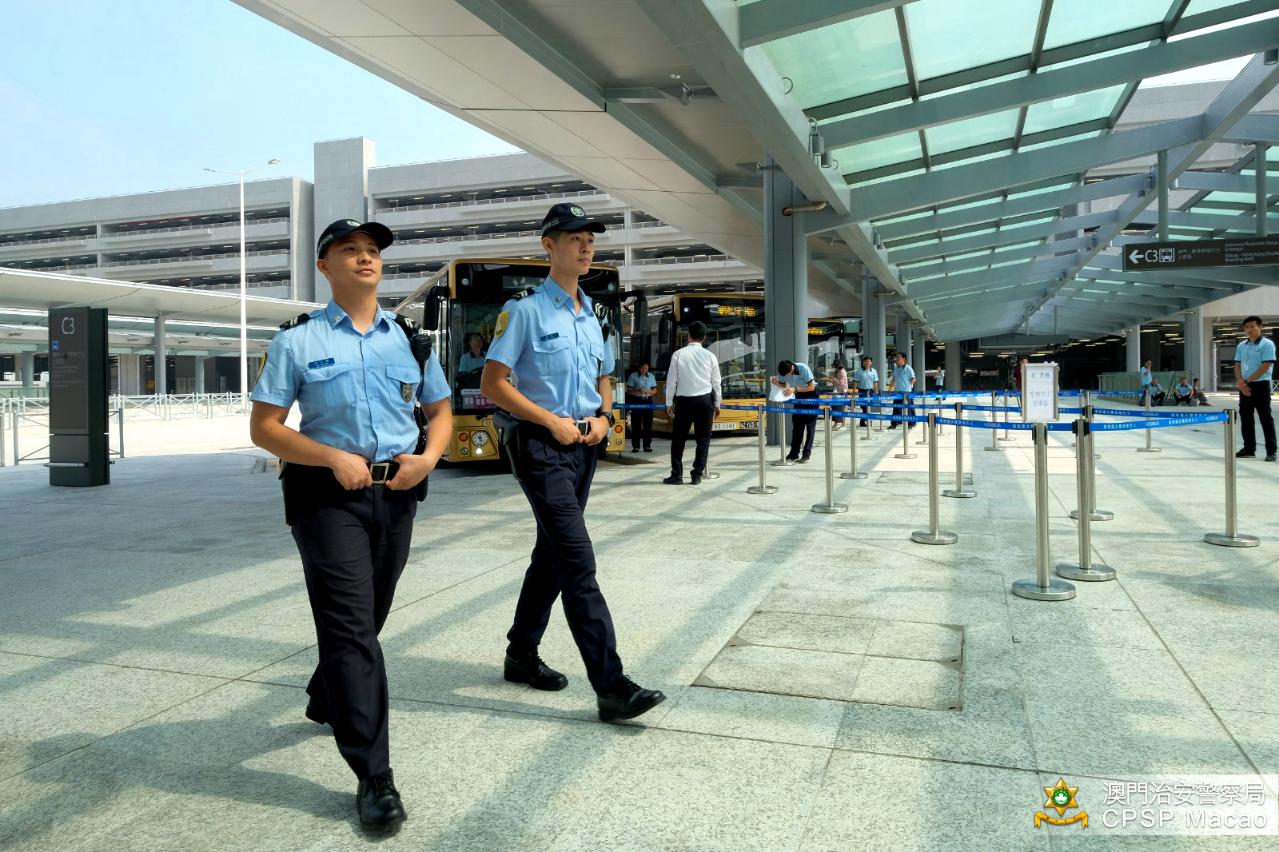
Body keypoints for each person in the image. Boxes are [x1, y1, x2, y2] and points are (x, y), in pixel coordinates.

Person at [249, 218, 453, 831]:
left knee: (369, 615)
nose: (366, 258)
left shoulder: (409, 341)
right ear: (325, 266)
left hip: (397, 492)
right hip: (325, 497)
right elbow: (265, 428)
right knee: (352, 629)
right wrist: (332, 457)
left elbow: (440, 409)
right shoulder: (297, 341)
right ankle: (374, 775)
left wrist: (429, 458)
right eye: (350, 250)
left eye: (372, 251)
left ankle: (326, 693)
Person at [480, 202, 666, 722]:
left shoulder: (597, 315)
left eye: (590, 240)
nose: (586, 247)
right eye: (574, 238)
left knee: (552, 555)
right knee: (578, 561)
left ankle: (520, 653)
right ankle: (611, 686)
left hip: (585, 445)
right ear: (549, 246)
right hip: (539, 445)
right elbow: (493, 383)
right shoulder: (524, 311)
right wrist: (551, 421)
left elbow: (604, 377)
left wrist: (605, 417)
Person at [663, 320, 722, 484]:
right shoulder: (710, 356)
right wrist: (718, 403)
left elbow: (671, 381)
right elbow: (716, 382)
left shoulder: (678, 354)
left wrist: (669, 402)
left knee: (678, 439)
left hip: (684, 402)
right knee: (703, 439)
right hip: (705, 401)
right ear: (704, 338)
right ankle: (696, 474)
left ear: (688, 336)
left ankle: (676, 475)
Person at [1233, 315, 1276, 462]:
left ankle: (1271, 451)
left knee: (1265, 418)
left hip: (1261, 385)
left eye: (1252, 326)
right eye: (1246, 327)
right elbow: (1237, 365)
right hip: (1244, 385)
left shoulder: (1267, 344)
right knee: (1246, 418)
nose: (1249, 329)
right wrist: (1240, 382)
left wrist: (1246, 381)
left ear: (1260, 327)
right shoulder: (1242, 345)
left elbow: (1266, 365)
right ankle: (1249, 449)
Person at [773, 359, 818, 461]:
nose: (788, 376)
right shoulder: (783, 372)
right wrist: (777, 384)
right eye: (786, 375)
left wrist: (794, 389)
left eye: (788, 374)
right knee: (797, 424)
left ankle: (806, 454)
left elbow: (811, 387)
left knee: (810, 425)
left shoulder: (803, 368)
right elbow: (784, 385)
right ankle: (794, 453)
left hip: (811, 394)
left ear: (792, 367)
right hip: (799, 395)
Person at [625, 361, 657, 452]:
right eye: (643, 368)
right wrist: (638, 390)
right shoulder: (633, 376)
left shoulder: (651, 376)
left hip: (648, 401)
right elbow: (628, 390)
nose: (644, 370)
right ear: (639, 368)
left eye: (646, 368)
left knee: (648, 425)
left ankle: (647, 446)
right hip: (637, 401)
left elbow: (655, 390)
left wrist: (649, 391)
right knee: (636, 424)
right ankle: (636, 446)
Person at [888, 351, 916, 430]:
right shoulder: (896, 368)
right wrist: (890, 388)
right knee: (896, 407)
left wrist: (909, 387)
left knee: (909, 408)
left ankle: (911, 423)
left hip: (907, 392)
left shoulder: (908, 368)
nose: (897, 359)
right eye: (896, 357)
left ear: (904, 359)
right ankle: (894, 424)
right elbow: (894, 378)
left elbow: (913, 379)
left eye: (898, 357)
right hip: (898, 392)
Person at [853, 355, 879, 427]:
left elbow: (875, 382)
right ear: (863, 362)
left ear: (871, 363)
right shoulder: (859, 371)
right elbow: (856, 382)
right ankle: (868, 420)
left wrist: (876, 391)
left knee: (869, 406)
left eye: (869, 361)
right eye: (866, 361)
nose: (867, 363)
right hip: (862, 391)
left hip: (870, 391)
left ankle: (863, 421)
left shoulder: (874, 371)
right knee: (864, 407)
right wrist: (854, 392)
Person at [830, 359, 848, 429]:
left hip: (841, 392)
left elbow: (841, 383)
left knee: (840, 408)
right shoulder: (837, 372)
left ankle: (842, 424)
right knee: (835, 407)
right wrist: (832, 380)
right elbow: (836, 382)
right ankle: (836, 422)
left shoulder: (842, 372)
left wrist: (833, 379)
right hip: (836, 391)